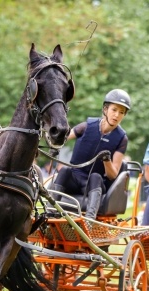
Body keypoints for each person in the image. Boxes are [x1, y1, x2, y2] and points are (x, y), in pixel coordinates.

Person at [51, 88, 131, 221]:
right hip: (75, 179)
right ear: (105, 109)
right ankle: (50, 212)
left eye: (121, 112)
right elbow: (62, 138)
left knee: (95, 176)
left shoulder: (122, 139)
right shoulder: (87, 126)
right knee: (65, 170)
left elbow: (113, 175)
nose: (117, 115)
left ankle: (90, 220)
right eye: (114, 110)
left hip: (94, 185)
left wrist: (107, 160)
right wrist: (54, 145)